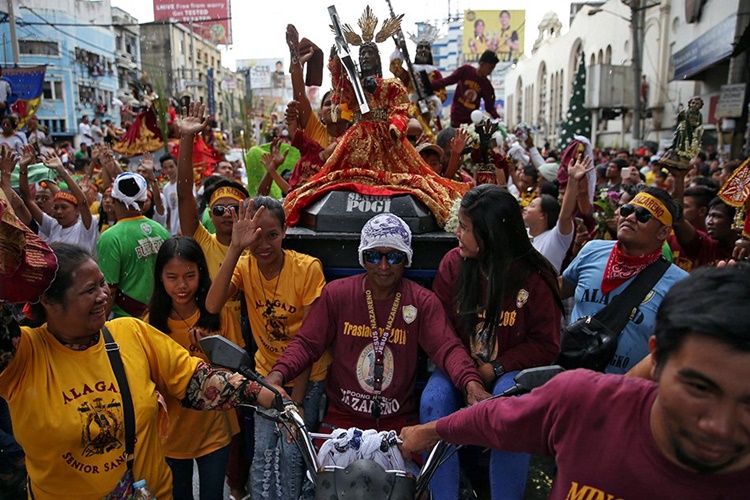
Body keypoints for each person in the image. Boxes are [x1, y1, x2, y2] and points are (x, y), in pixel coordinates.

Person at [400, 265, 750, 498]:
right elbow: (496, 419)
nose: (718, 425)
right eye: (699, 389)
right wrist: (428, 432)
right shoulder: (585, 403)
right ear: (656, 358)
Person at [0, 243, 278, 499]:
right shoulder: (23, 356)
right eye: (89, 290)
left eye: (102, 284)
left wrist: (260, 393)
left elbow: (195, 380)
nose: (103, 296)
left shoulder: (130, 332)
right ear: (49, 302)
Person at [265, 213, 490, 439]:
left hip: (400, 424)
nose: (383, 266)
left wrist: (472, 385)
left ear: (406, 259)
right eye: (373, 256)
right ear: (362, 258)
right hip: (341, 421)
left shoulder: (422, 301)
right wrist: (277, 375)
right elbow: (306, 343)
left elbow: (447, 348)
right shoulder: (337, 295)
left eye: (394, 257)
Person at [423, 185, 563, 500]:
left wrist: (495, 368)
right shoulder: (453, 265)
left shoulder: (535, 276)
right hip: (458, 364)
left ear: (490, 235)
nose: (457, 233)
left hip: (512, 370)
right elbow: (440, 334)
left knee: (507, 403)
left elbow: (546, 344)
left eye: (465, 228)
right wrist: (469, 375)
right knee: (434, 400)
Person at [283, 8, 467, 228]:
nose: (365, 57)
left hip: (387, 139)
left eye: (370, 54)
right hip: (357, 137)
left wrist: (394, 126)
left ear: (378, 59)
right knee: (333, 178)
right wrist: (337, 64)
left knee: (411, 180)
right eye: (361, 54)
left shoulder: (391, 85)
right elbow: (342, 93)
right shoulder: (355, 85)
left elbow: (400, 109)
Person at [205, 196, 330, 500]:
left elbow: (310, 343)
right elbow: (211, 304)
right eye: (256, 236)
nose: (264, 245)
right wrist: (235, 247)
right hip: (266, 376)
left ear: (285, 232)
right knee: (262, 456)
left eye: (272, 235)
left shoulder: (307, 269)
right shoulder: (245, 265)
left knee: (293, 454)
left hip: (307, 377)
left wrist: (296, 404)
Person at [146, 237, 244, 500]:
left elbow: (237, 371)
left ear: (201, 272)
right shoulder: (149, 324)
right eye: (172, 277)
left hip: (213, 430)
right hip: (171, 433)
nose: (181, 285)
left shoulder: (220, 315)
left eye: (189, 275)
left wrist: (211, 349)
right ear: (160, 278)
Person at [561, 187, 689, 374]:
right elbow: (557, 289)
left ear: (663, 232)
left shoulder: (679, 285)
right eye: (627, 210)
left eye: (643, 215)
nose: (630, 218)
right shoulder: (592, 250)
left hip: (625, 393)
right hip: (569, 378)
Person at [96, 172, 171, 318]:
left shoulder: (111, 237)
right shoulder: (161, 231)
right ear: (143, 202)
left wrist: (97, 328)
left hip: (128, 322)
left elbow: (109, 290)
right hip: (161, 316)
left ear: (114, 199)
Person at [17, 147, 98, 255]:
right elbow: (28, 199)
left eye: (64, 207)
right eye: (55, 207)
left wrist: (61, 170)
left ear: (77, 210)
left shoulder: (85, 228)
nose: (58, 211)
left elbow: (82, 201)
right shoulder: (53, 226)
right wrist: (23, 168)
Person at [523, 156, 592, 273]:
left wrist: (573, 180)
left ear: (543, 215)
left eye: (532, 206)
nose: (525, 208)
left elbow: (565, 216)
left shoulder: (555, 238)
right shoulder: (523, 234)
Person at [430, 50, 500, 127]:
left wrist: (498, 119)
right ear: (481, 64)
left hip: (471, 122)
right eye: (489, 68)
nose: (490, 71)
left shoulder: (487, 86)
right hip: (456, 116)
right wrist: (429, 85)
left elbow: (489, 107)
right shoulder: (465, 71)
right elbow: (448, 80)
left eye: (492, 68)